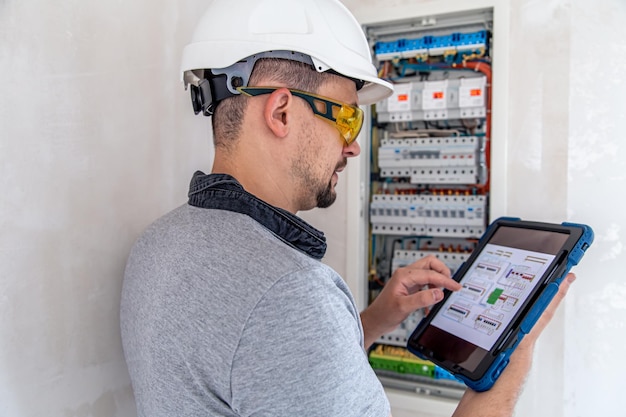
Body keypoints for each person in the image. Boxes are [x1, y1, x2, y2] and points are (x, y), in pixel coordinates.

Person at [120, 0, 575, 416]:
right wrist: (508, 365)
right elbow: (278, 332)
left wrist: (374, 319)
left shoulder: (161, 242)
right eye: (347, 117)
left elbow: (266, 371)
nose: (354, 147)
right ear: (280, 113)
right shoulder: (289, 295)